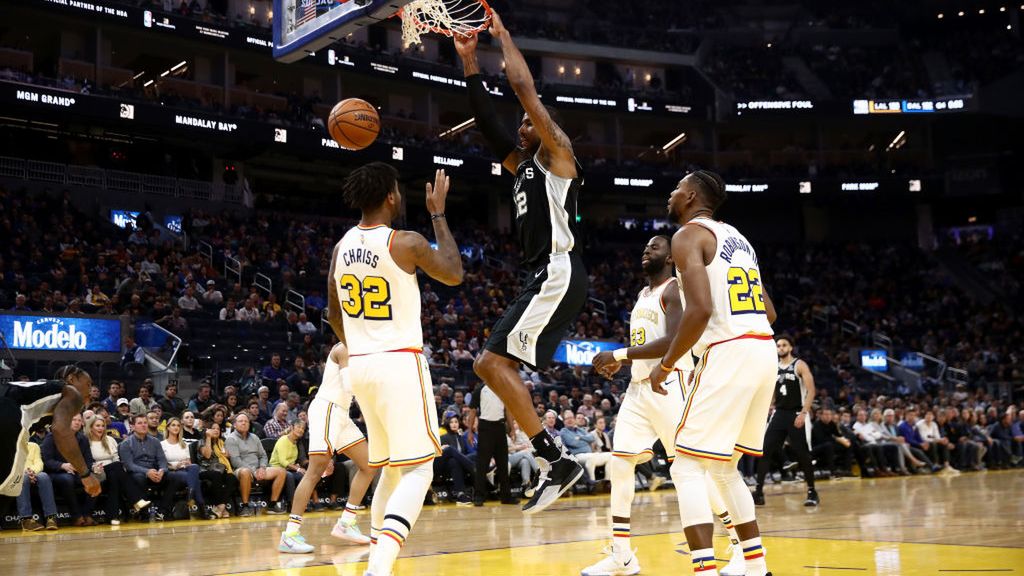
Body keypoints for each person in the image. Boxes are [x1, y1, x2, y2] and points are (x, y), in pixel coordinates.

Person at [455, 12, 588, 514]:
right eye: (524, 122)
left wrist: (502, 38)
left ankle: (555, 461)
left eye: (532, 120)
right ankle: (555, 461)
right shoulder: (523, 165)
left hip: (559, 267)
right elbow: (491, 130)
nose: (523, 122)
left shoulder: (559, 157)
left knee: (488, 362)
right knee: (493, 364)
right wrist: (469, 64)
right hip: (543, 274)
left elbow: (524, 90)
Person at [328, 164, 462, 576]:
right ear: (390, 197)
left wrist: (360, 346)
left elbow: (334, 314)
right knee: (421, 468)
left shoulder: (341, 247)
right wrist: (438, 213)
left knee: (391, 466)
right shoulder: (406, 243)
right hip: (399, 360)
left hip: (361, 365)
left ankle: (374, 557)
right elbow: (454, 273)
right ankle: (379, 567)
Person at [584, 236, 744, 576]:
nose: (646, 250)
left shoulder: (674, 290)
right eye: (644, 247)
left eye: (654, 247)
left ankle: (739, 543)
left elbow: (672, 341)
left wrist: (618, 353)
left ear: (670, 257)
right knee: (620, 465)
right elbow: (647, 346)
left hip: (672, 386)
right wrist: (625, 363)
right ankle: (622, 555)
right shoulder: (643, 296)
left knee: (695, 472)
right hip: (639, 389)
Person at [649, 170, 778, 576]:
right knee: (724, 468)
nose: (670, 195)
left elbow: (701, 311)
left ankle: (703, 570)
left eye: (674, 189)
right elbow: (770, 312)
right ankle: (756, 567)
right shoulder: (739, 238)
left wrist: (666, 362)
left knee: (685, 465)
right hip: (763, 347)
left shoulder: (689, 235)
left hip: (729, 350)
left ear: (689, 196)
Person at [279, 343, 378, 553]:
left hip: (340, 413)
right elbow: (351, 386)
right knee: (315, 471)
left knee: (369, 465)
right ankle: (289, 534)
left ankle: (346, 522)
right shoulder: (344, 348)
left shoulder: (360, 350)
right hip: (327, 409)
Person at [1, 366, 102, 503]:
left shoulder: (42, 389)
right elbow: (60, 430)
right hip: (9, 412)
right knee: (6, 490)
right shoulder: (71, 392)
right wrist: (85, 474)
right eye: (88, 384)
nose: (90, 390)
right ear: (71, 379)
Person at [754, 335, 819, 507]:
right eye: (778, 346)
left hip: (797, 413)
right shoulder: (773, 368)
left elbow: (811, 391)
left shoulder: (799, 365)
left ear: (790, 348)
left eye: (784, 345)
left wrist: (804, 413)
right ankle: (758, 492)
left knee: (803, 454)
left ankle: (812, 492)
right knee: (765, 450)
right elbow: (773, 392)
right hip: (780, 413)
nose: (780, 348)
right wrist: (769, 406)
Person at [118, 414, 186, 521]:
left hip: (155, 472)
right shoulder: (125, 444)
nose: (143, 425)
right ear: (133, 426)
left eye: (145, 423)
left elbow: (162, 460)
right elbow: (129, 465)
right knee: (139, 478)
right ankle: (143, 513)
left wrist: (162, 471)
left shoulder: (155, 441)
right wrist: (147, 472)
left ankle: (162, 511)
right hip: (137, 472)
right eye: (140, 423)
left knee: (175, 477)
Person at [86, 414, 150, 525]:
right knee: (117, 467)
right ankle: (136, 500)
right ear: (90, 427)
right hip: (96, 473)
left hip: (112, 472)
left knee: (115, 475)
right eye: (97, 426)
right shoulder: (86, 442)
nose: (101, 428)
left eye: (102, 426)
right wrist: (93, 467)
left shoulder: (110, 440)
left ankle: (112, 517)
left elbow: (116, 457)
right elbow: (85, 460)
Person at [226, 412, 287, 516]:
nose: (244, 423)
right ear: (235, 425)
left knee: (281, 471)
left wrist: (262, 468)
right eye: (241, 421)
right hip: (241, 469)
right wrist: (254, 471)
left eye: (246, 421)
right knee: (245, 472)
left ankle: (272, 505)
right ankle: (245, 507)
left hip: (258, 469)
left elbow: (263, 455)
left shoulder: (255, 437)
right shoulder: (231, 439)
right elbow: (236, 461)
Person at [469, 380, 517, 507]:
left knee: (503, 463)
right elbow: (473, 411)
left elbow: (508, 410)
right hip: (485, 427)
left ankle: (506, 496)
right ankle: (479, 496)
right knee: (482, 465)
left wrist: (512, 428)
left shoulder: (503, 388)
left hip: (500, 427)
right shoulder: (479, 389)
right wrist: (469, 431)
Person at [161, 417, 214, 519]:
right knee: (196, 480)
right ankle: (201, 508)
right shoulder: (162, 444)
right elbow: (162, 464)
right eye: (173, 425)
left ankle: (190, 493)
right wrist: (176, 465)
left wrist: (185, 463)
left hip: (185, 470)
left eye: (178, 425)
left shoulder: (184, 444)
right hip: (171, 472)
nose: (176, 427)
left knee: (194, 466)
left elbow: (189, 462)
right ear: (167, 428)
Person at [196, 421, 238, 519]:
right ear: (208, 430)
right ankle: (221, 507)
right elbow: (207, 455)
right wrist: (208, 438)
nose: (216, 430)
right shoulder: (202, 441)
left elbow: (227, 455)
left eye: (218, 429)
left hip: (220, 470)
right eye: (213, 428)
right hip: (205, 470)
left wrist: (226, 455)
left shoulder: (221, 442)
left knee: (232, 477)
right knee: (216, 475)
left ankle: (220, 507)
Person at [16, 440, 59, 530]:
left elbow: (39, 463)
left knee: (44, 476)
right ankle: (26, 519)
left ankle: (51, 518)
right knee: (23, 478)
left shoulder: (34, 446)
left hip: (33, 472)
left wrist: (32, 472)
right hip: (17, 474)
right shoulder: (9, 446)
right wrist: (26, 473)